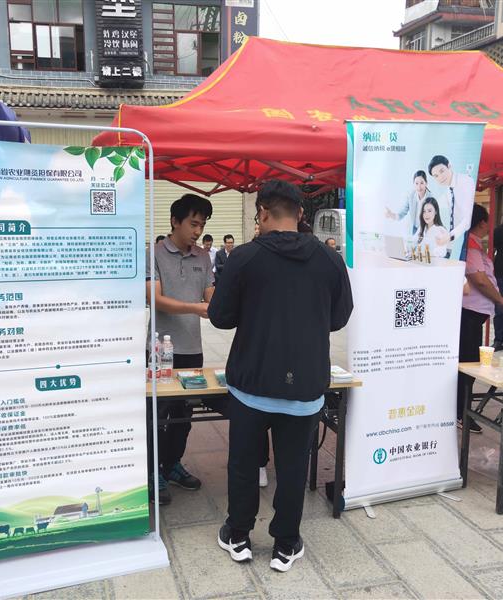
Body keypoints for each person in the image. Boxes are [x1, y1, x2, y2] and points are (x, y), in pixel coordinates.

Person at [209, 180, 353, 572]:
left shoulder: (243, 257)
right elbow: (339, 317)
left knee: (244, 465)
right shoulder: (329, 260)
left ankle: (238, 535)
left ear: (262, 213)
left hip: (251, 386)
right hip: (304, 386)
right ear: (300, 213)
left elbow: (220, 317)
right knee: (292, 470)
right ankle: (286, 544)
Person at [146, 194, 215, 505]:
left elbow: (211, 294)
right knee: (157, 414)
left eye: (202, 225)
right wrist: (195, 307)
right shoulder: (154, 254)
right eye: (193, 224)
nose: (197, 231)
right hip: (160, 350)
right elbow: (155, 299)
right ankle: (153, 472)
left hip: (192, 349)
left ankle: (172, 464)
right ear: (175, 221)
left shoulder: (203, 257)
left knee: (184, 415)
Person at [457, 204, 503, 433]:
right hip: (469, 314)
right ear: (482, 222)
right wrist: (500, 300)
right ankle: (461, 412)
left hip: (474, 314)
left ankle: (460, 410)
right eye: (488, 222)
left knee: (470, 362)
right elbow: (480, 281)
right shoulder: (472, 247)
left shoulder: (473, 244)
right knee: (468, 364)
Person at [428, 155, 475, 256]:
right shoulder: (448, 192)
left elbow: (467, 219)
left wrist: (449, 237)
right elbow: (455, 220)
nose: (440, 177)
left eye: (442, 171)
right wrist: (447, 247)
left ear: (449, 166)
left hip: (472, 233)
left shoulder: (465, 181)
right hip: (462, 236)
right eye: (436, 176)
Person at [385, 170, 430, 235]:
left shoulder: (431, 198)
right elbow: (403, 212)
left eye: (422, 183)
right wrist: (391, 215)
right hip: (414, 228)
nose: (419, 187)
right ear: (413, 184)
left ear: (426, 183)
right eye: (416, 183)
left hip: (426, 229)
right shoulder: (411, 196)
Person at [492, 223, 503, 351]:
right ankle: (499, 339)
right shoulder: (499, 231)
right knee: (500, 309)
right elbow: (491, 246)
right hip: (500, 273)